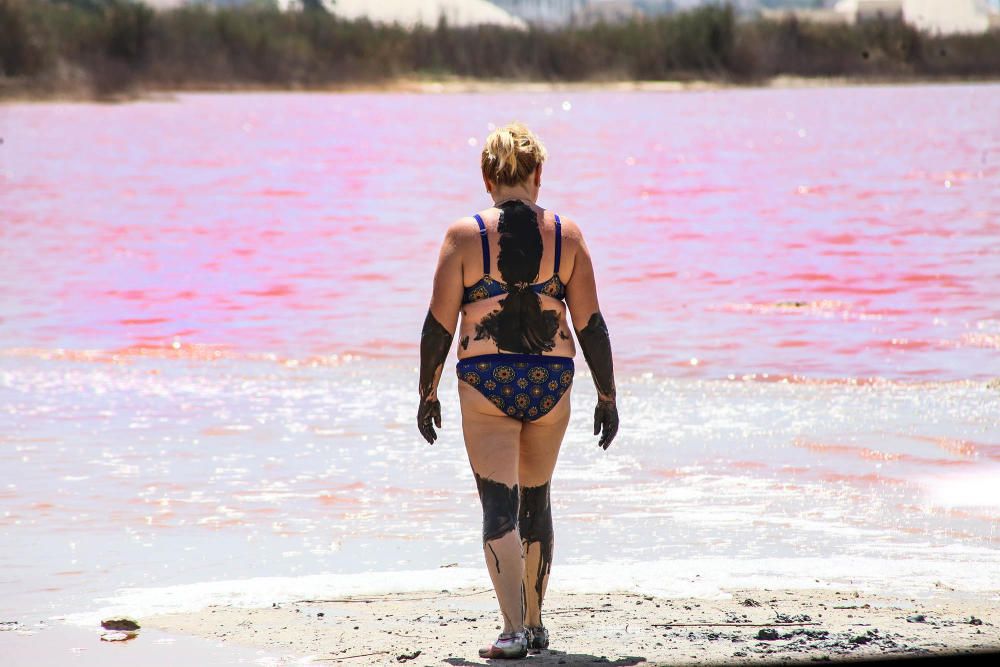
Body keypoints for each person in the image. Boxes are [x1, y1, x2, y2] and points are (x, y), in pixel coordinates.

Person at [417, 122, 619, 659]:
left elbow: (438, 326)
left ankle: (511, 633)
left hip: (487, 381)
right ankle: (535, 623)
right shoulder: (568, 236)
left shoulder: (463, 237)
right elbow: (591, 325)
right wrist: (608, 396)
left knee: (498, 504)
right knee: (538, 497)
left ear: (486, 177)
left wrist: (427, 392)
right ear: (537, 174)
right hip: (552, 382)